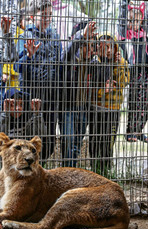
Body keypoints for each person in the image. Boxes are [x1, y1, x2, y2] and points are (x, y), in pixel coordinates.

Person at [14, 0, 62, 159]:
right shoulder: (25, 36)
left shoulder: (55, 36)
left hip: (51, 94)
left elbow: (59, 64)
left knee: (48, 137)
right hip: (30, 93)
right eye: (44, 15)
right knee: (31, 135)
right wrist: (29, 56)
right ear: (33, 17)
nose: (47, 18)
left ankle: (41, 169)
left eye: (50, 15)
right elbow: (16, 67)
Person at [88, 33, 130, 175]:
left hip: (113, 109)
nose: (108, 50)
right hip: (96, 108)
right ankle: (94, 170)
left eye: (110, 47)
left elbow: (123, 82)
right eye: (104, 47)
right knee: (94, 141)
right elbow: (92, 84)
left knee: (108, 142)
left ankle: (106, 170)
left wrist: (118, 64)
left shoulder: (121, 62)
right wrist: (103, 91)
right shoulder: (95, 62)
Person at [118, 0, 148, 143]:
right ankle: (130, 132)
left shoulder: (143, 31)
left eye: (137, 20)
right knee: (135, 101)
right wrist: (124, 4)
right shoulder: (125, 34)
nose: (133, 23)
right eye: (131, 20)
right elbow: (122, 17)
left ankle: (138, 130)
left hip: (146, 70)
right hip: (135, 70)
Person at [59, 21, 97, 167]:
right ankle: (67, 171)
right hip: (68, 107)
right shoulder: (70, 60)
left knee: (76, 144)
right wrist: (82, 36)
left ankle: (71, 170)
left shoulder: (94, 63)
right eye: (85, 45)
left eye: (91, 46)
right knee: (68, 141)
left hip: (84, 108)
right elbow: (67, 53)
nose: (89, 49)